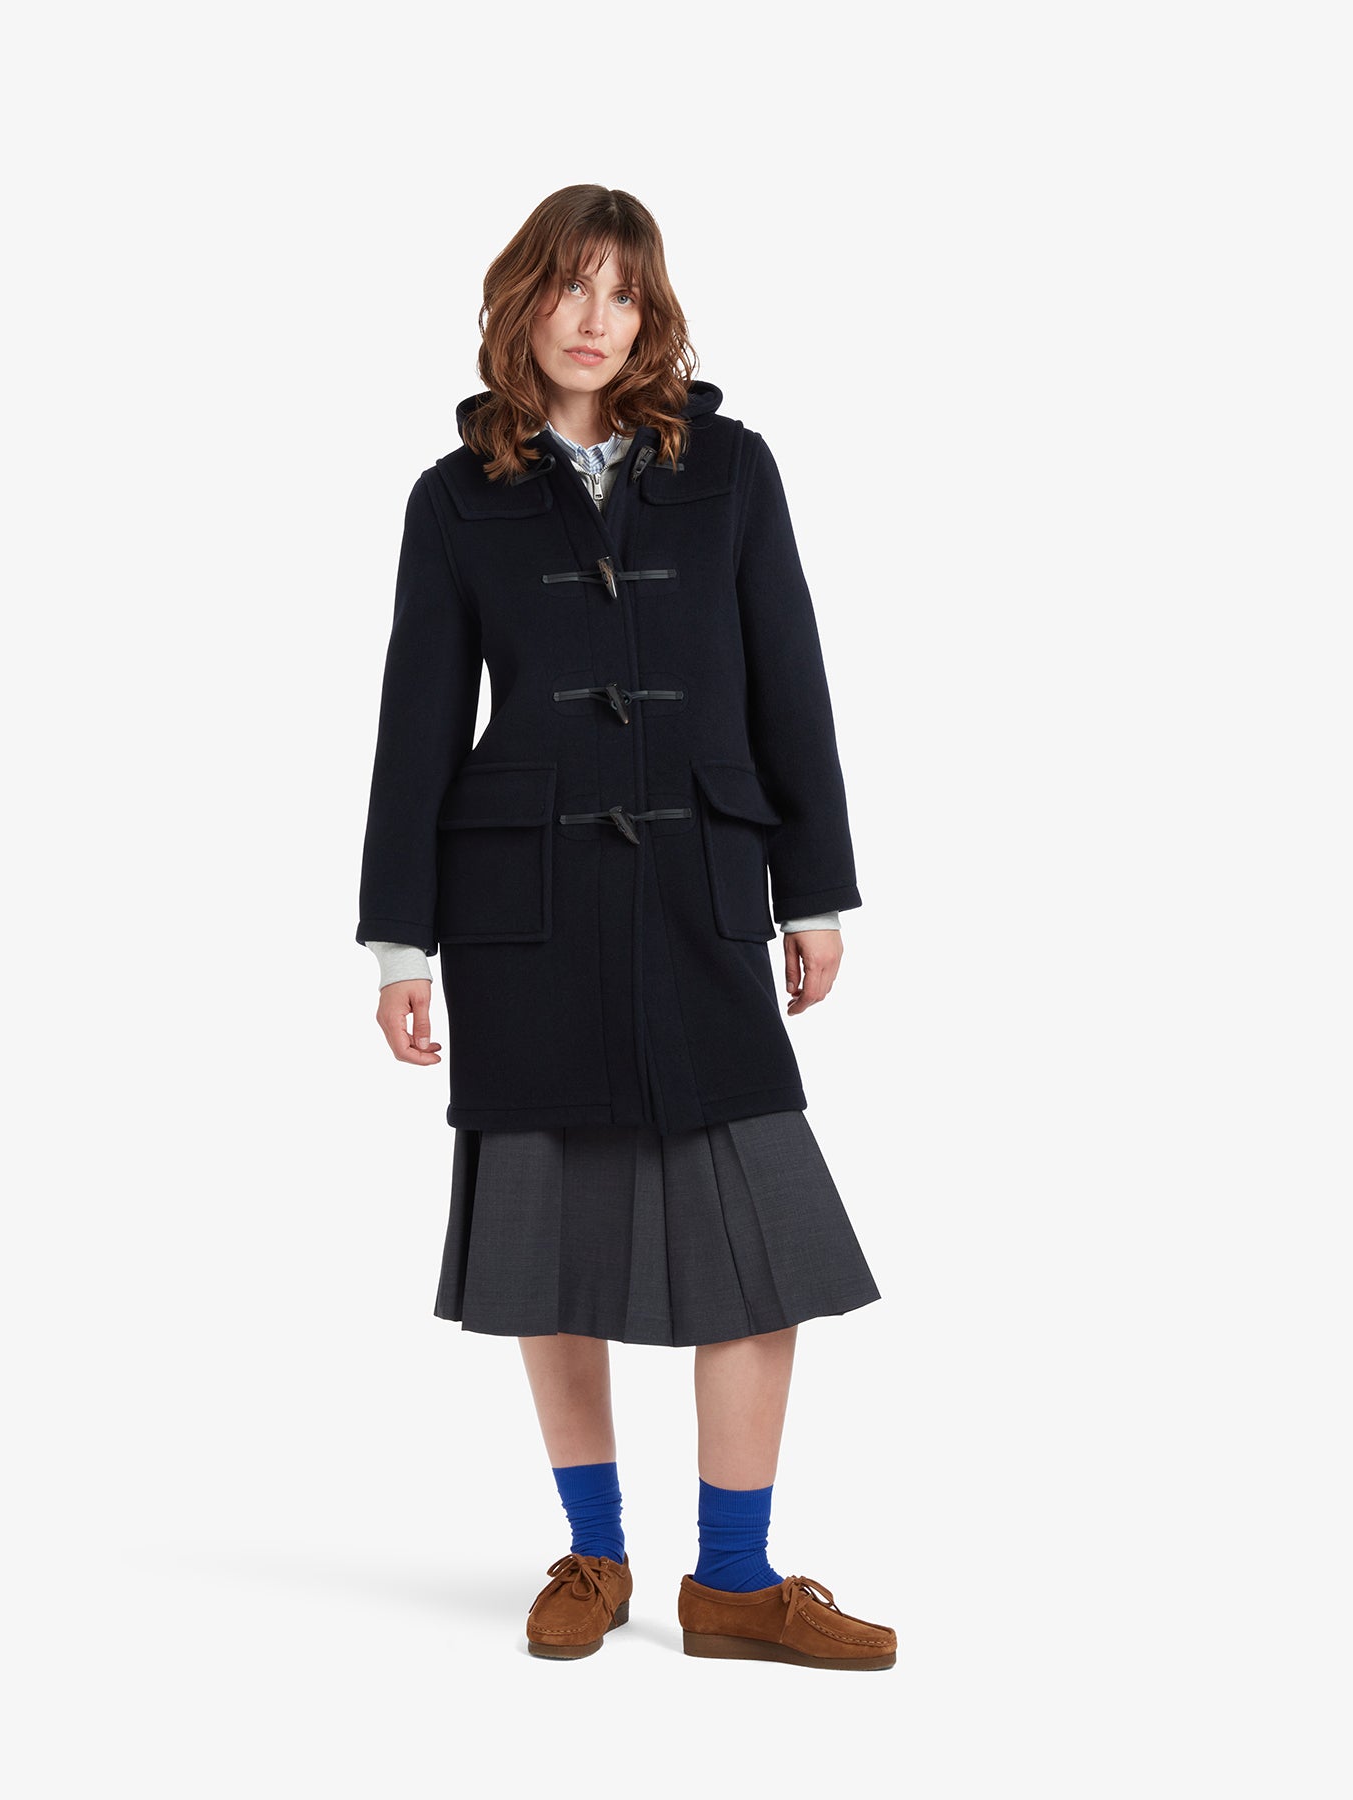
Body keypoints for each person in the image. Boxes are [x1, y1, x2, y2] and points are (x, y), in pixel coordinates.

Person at [355, 184, 897, 1670]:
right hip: (521, 911)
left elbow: (790, 676)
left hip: (701, 890)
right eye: (571, 286)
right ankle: (594, 1556)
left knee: (766, 1250)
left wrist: (814, 889)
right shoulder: (453, 497)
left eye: (625, 293)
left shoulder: (731, 468)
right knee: (549, 1250)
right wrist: (400, 945)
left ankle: (735, 1581)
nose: (596, 318)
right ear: (521, 299)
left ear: (652, 316)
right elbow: (417, 723)